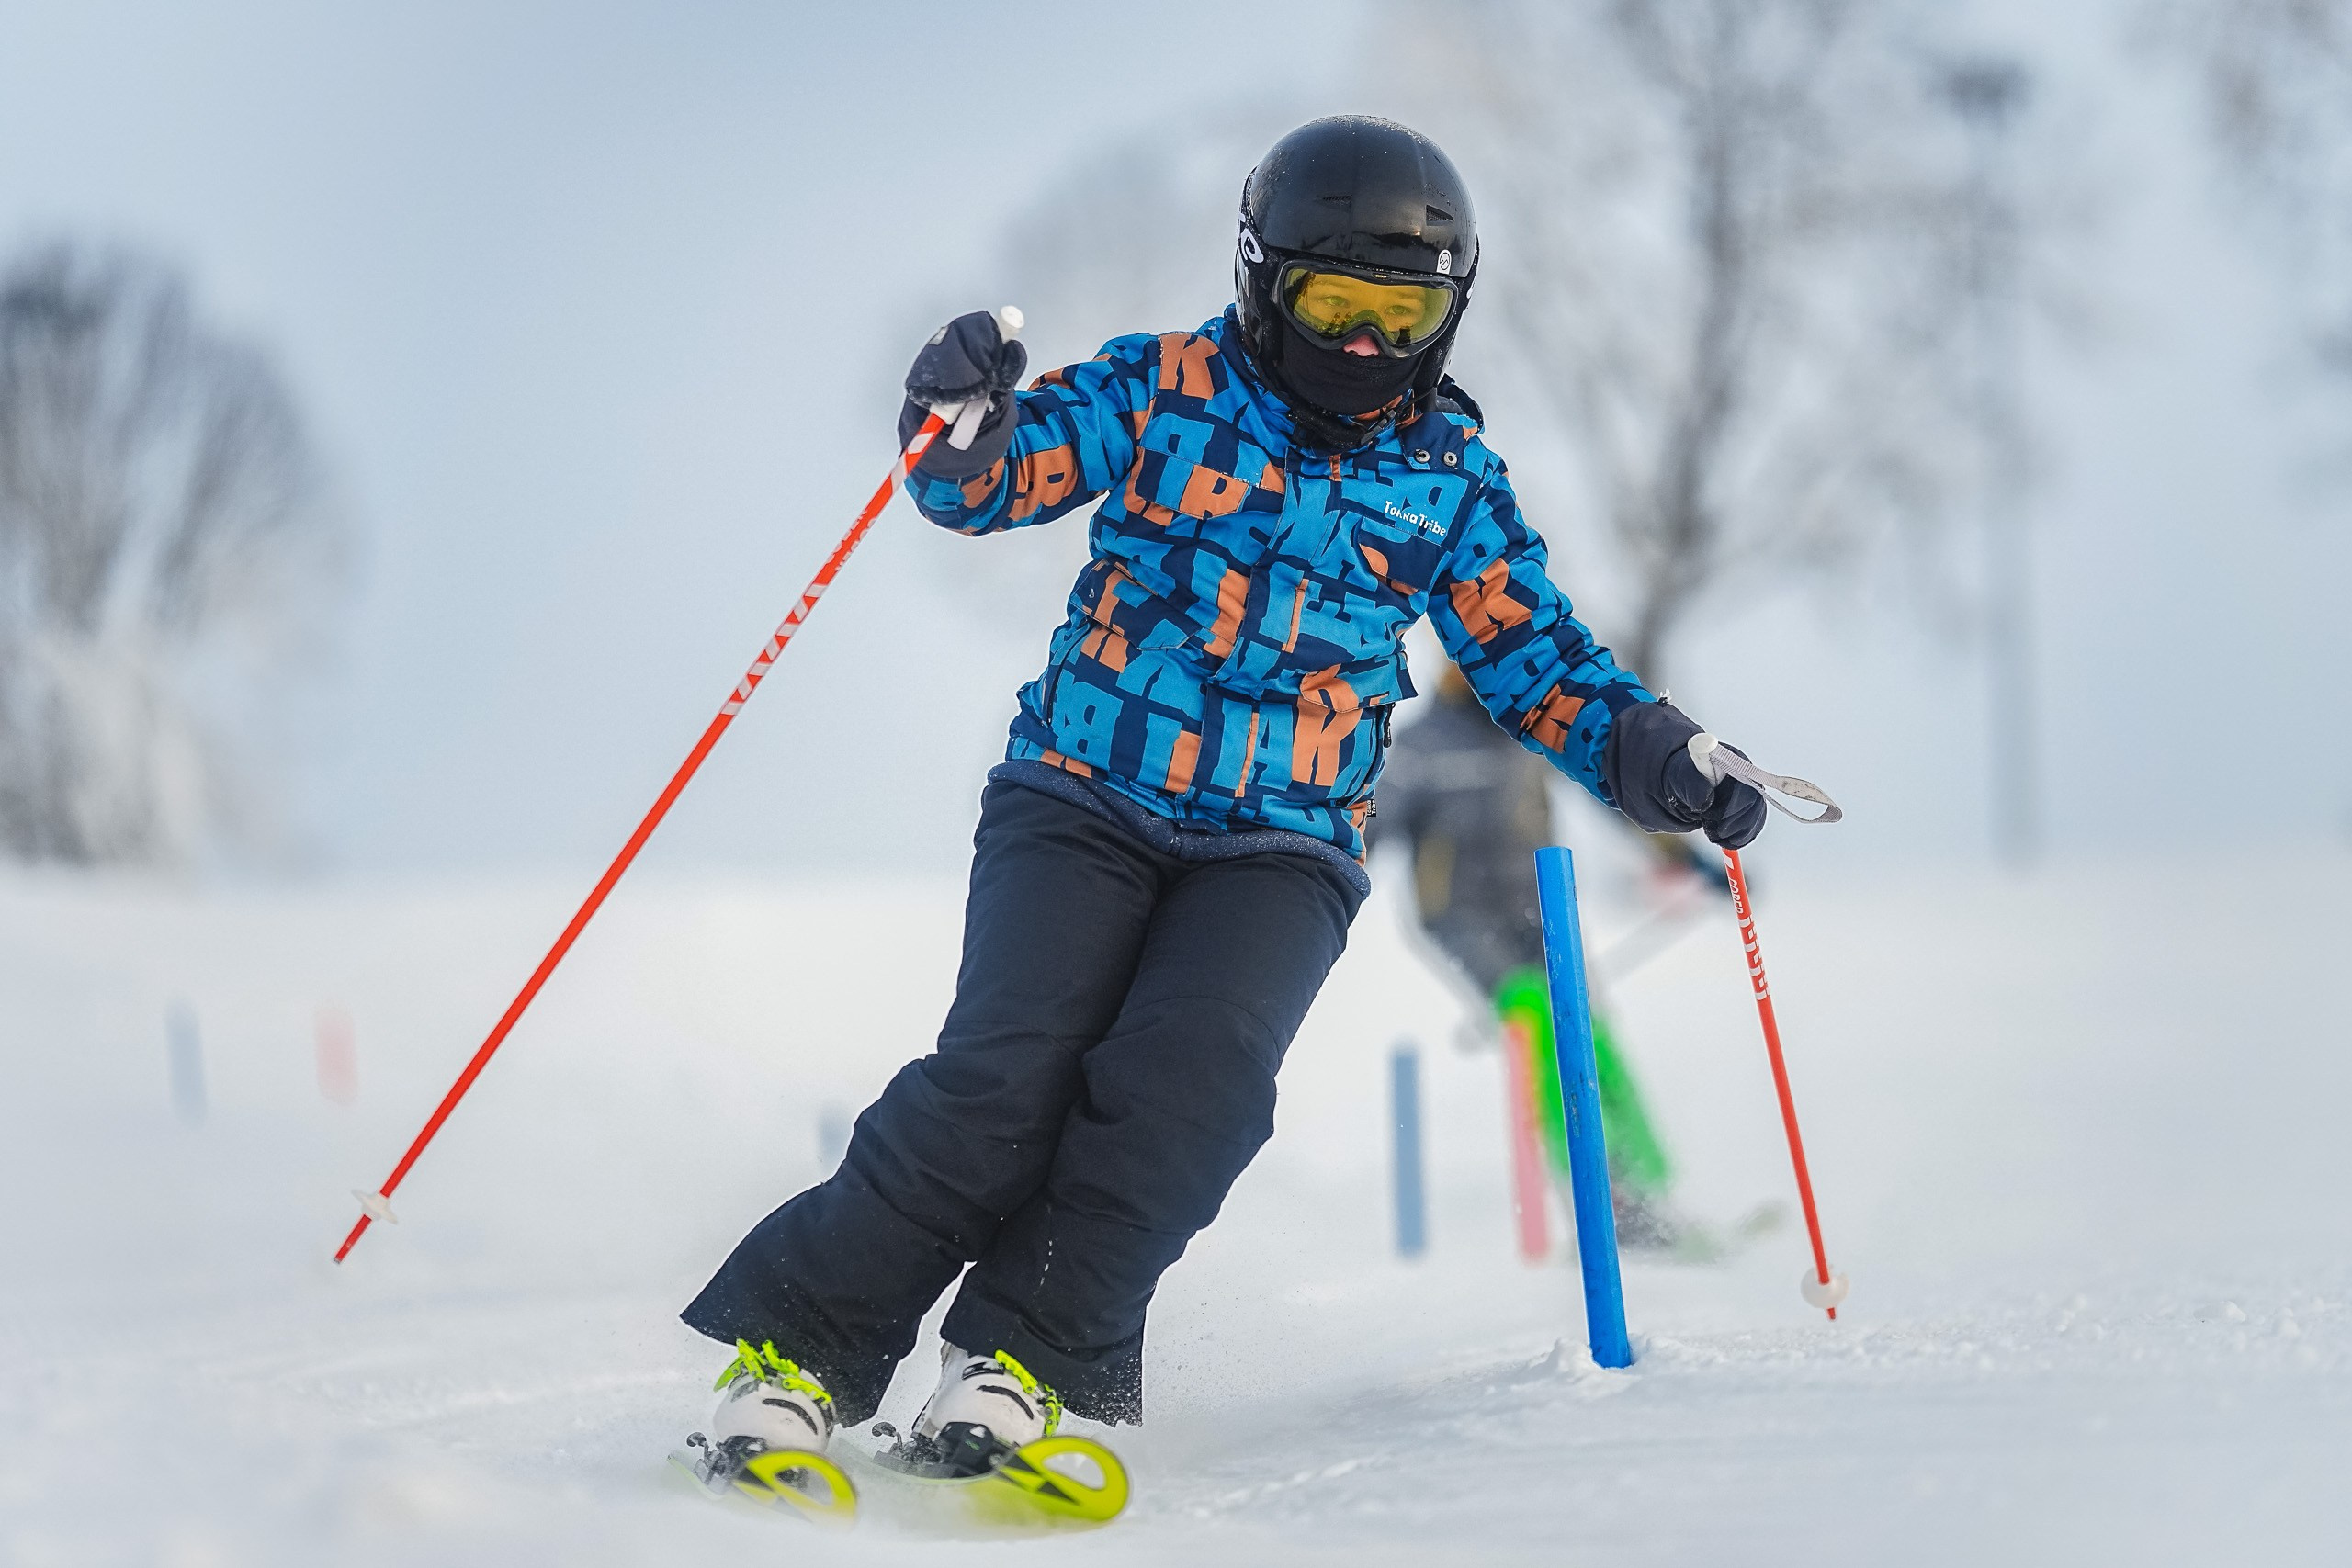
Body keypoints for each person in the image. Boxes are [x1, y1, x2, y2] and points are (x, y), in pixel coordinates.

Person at [676, 116, 1765, 1479]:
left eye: (1402, 313)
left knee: (1193, 1090)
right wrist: (957, 426)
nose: (1366, 347)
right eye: (1334, 306)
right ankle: (795, 1354)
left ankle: (1017, 1359)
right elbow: (998, 476)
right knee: (1002, 1081)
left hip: (1282, 842)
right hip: (1083, 792)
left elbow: (1537, 658)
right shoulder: (1165, 386)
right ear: (1266, 281)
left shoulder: (1450, 482)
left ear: (1448, 313)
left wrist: (1667, 757)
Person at [1372, 664, 1682, 1247]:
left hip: (1541, 910)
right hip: (1459, 916)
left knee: (1591, 1032)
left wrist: (1679, 852)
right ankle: (1605, 1203)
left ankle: (1650, 1192)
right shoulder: (1420, 746)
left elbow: (1612, 791)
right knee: (1537, 1020)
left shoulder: (1532, 730)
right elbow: (1369, 825)